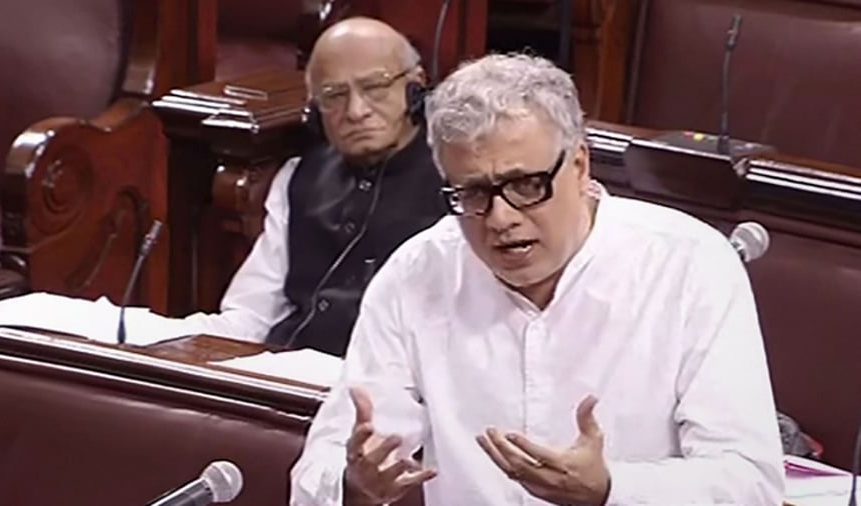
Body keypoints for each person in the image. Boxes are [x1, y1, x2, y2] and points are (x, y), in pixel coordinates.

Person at [289, 53, 785, 505]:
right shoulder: (419, 272)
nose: (500, 219)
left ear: (579, 164)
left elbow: (750, 482)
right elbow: (326, 464)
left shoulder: (688, 265)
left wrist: (611, 489)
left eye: (527, 185)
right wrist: (354, 487)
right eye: (474, 194)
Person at [186, 18, 445, 356]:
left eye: (375, 87)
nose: (356, 111)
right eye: (334, 95)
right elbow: (250, 316)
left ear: (416, 86)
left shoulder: (457, 181)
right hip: (289, 376)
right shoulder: (299, 176)